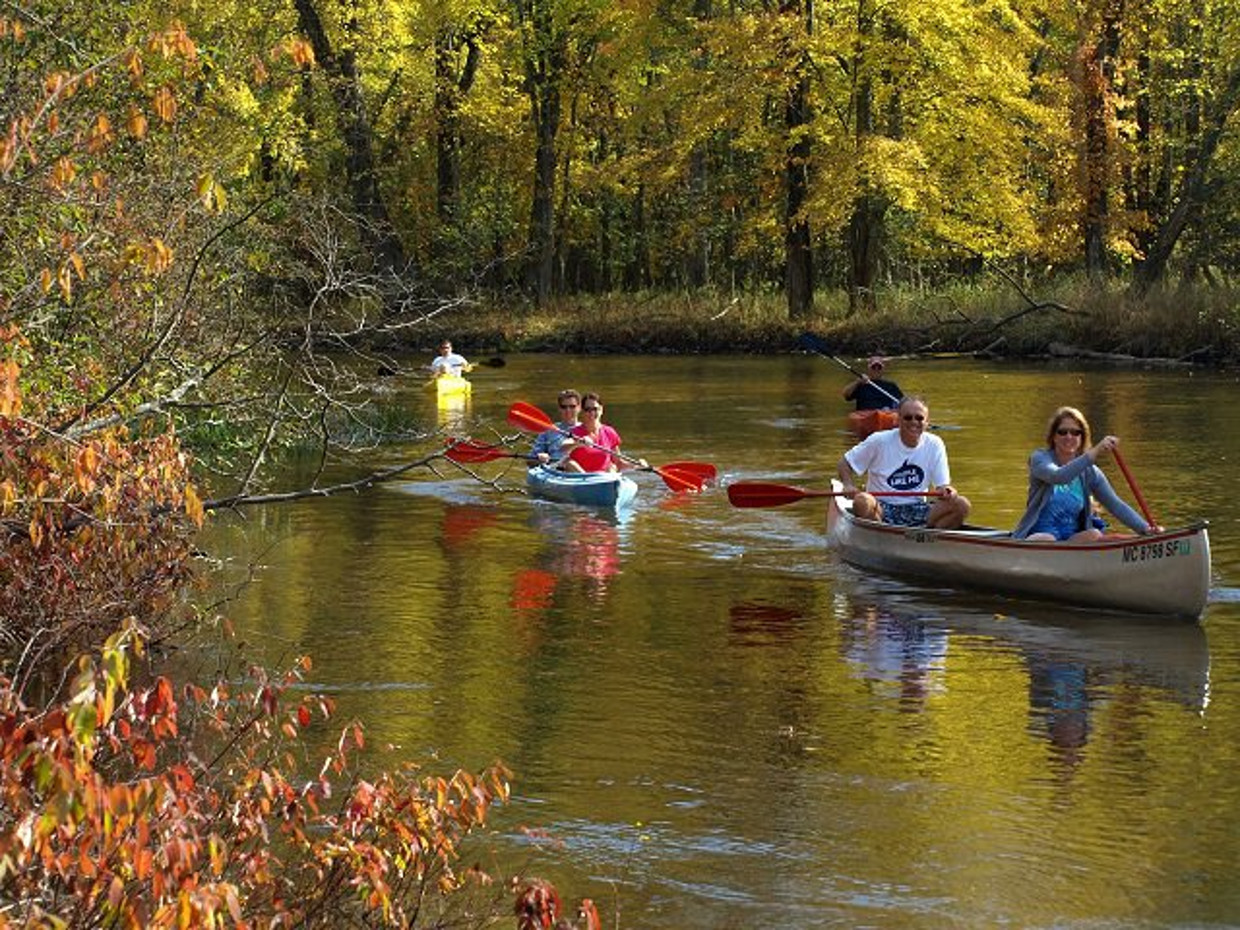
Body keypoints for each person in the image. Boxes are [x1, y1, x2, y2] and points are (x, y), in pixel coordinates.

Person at [1013, 406, 1160, 541]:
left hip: (1072, 540)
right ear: (1053, 436)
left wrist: (1145, 529)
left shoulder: (1090, 472)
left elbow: (1116, 506)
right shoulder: (1040, 458)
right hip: (1040, 537)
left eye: (1075, 432)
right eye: (1062, 432)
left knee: (1094, 534)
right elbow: (1058, 476)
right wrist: (1096, 451)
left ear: (1082, 437)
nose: (1069, 437)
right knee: (1047, 539)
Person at [836, 395, 970, 529]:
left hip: (918, 508)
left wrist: (948, 491)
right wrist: (848, 485)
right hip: (881, 508)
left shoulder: (935, 444)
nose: (914, 422)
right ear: (898, 420)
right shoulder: (879, 441)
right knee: (862, 501)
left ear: (927, 422)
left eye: (919, 418)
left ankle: (929, 536)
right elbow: (845, 463)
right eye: (908, 417)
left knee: (962, 504)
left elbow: (942, 487)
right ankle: (882, 533)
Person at [564, 392, 645, 473]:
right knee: (570, 463)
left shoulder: (609, 432)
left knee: (612, 467)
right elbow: (563, 447)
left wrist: (637, 465)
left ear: (601, 410)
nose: (592, 413)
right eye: (587, 409)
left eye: (595, 409)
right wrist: (578, 443)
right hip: (581, 476)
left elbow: (619, 463)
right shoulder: (574, 432)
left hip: (603, 477)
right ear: (582, 412)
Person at [528, 389, 580, 466]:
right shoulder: (548, 430)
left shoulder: (587, 429)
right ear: (559, 409)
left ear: (579, 407)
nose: (568, 410)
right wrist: (539, 458)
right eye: (564, 407)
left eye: (572, 406)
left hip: (581, 471)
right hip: (554, 470)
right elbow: (530, 460)